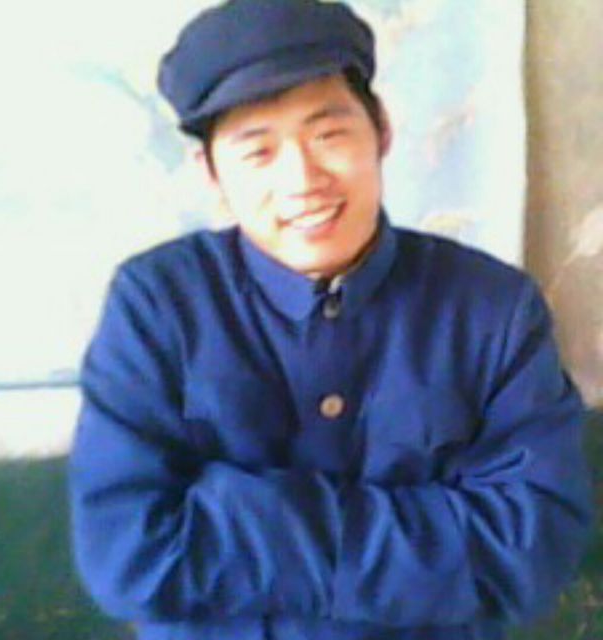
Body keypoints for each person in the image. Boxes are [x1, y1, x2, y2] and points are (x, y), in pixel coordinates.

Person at [69, 1, 593, 639]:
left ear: (382, 131)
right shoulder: (156, 305)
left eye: (328, 134)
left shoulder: (494, 308)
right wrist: (432, 536)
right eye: (258, 151)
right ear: (210, 174)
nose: (302, 179)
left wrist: (231, 510)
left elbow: (532, 553)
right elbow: (126, 556)